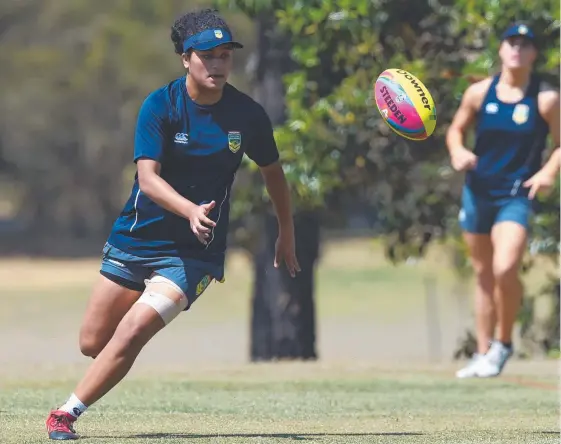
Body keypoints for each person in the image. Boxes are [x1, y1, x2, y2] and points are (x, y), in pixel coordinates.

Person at [45, 8, 300, 440]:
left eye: (225, 56)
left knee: (135, 328)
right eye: (207, 56)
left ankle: (65, 414)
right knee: (92, 343)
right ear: (185, 58)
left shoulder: (248, 115)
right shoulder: (160, 105)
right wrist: (189, 209)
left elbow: (273, 172)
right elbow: (148, 178)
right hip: (136, 238)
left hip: (194, 253)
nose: (217, 65)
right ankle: (104, 368)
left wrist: (286, 233)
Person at [446, 23, 559, 379]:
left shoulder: (545, 98)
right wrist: (457, 152)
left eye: (525, 45)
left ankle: (503, 343)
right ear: (500, 49)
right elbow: (455, 130)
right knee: (482, 273)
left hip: (515, 194)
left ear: (534, 54)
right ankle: (483, 353)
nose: (517, 49)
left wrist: (547, 173)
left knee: (505, 268)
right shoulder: (480, 93)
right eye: (511, 42)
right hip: (477, 191)